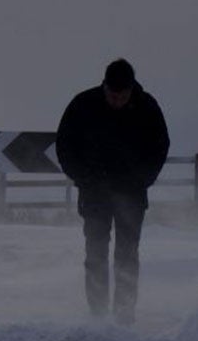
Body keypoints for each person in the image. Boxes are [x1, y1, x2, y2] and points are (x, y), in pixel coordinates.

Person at [55, 58, 170, 321]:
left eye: (122, 96)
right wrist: (82, 178)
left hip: (132, 195)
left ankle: (124, 313)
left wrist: (142, 180)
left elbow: (160, 147)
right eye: (112, 95)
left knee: (127, 255)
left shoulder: (147, 108)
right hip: (94, 194)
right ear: (104, 86)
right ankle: (97, 313)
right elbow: (64, 146)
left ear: (131, 90)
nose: (116, 100)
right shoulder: (82, 105)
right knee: (95, 253)